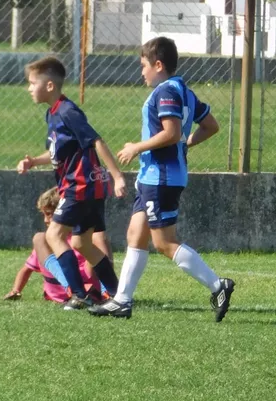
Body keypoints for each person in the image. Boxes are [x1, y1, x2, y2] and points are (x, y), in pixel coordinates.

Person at [90, 37, 235, 321]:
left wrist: (136, 147)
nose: (141, 72)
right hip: (155, 177)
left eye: (143, 65)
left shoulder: (165, 91)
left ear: (158, 64)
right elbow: (211, 126)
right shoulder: (184, 91)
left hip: (161, 178)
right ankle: (122, 300)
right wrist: (185, 144)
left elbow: (170, 132)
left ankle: (218, 285)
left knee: (164, 243)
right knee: (135, 233)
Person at [16, 57, 126, 311]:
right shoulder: (52, 114)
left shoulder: (68, 111)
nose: (29, 88)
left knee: (53, 234)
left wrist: (117, 176)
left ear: (50, 86)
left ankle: (80, 295)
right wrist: (34, 161)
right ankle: (118, 294)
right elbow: (58, 153)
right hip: (87, 189)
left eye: (33, 83)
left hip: (80, 187)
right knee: (81, 243)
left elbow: (96, 141)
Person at [4, 186, 111, 303]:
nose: (45, 220)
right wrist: (16, 290)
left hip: (88, 288)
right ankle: (72, 287)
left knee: (97, 238)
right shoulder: (46, 243)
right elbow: (27, 269)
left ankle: (106, 291)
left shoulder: (79, 240)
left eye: (49, 214)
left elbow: (92, 270)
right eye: (44, 215)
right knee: (39, 237)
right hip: (61, 294)